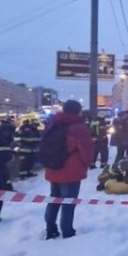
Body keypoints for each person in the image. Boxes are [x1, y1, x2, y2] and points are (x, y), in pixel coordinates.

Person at [43, 99, 94, 240]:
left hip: (53, 168)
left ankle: (50, 229)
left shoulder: (52, 123)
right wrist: (86, 164)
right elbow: (86, 150)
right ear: (78, 111)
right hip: (71, 170)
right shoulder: (79, 127)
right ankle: (67, 231)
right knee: (69, 202)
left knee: (54, 200)